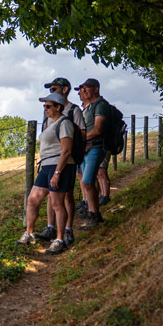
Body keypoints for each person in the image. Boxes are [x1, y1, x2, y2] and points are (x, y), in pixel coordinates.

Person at [17, 91, 77, 255]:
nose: (45, 109)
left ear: (58, 107)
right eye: (44, 106)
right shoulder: (51, 123)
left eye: (49, 106)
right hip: (46, 166)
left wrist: (58, 172)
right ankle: (29, 234)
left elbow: (66, 150)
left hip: (60, 166)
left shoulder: (64, 123)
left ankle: (59, 240)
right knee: (32, 200)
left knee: (57, 203)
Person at [35, 77, 84, 246]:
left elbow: (81, 135)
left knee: (67, 196)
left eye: (54, 89)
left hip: (66, 160)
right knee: (52, 196)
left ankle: (67, 229)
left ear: (64, 90)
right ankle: (51, 227)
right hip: (50, 160)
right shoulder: (49, 114)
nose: (51, 92)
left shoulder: (74, 111)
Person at [75, 78, 109, 228]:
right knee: (87, 182)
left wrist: (80, 140)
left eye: (86, 88)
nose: (83, 91)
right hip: (87, 149)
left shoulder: (100, 105)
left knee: (87, 182)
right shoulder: (89, 107)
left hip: (95, 147)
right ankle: (93, 214)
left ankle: (93, 215)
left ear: (95, 89)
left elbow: (98, 130)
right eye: (82, 89)